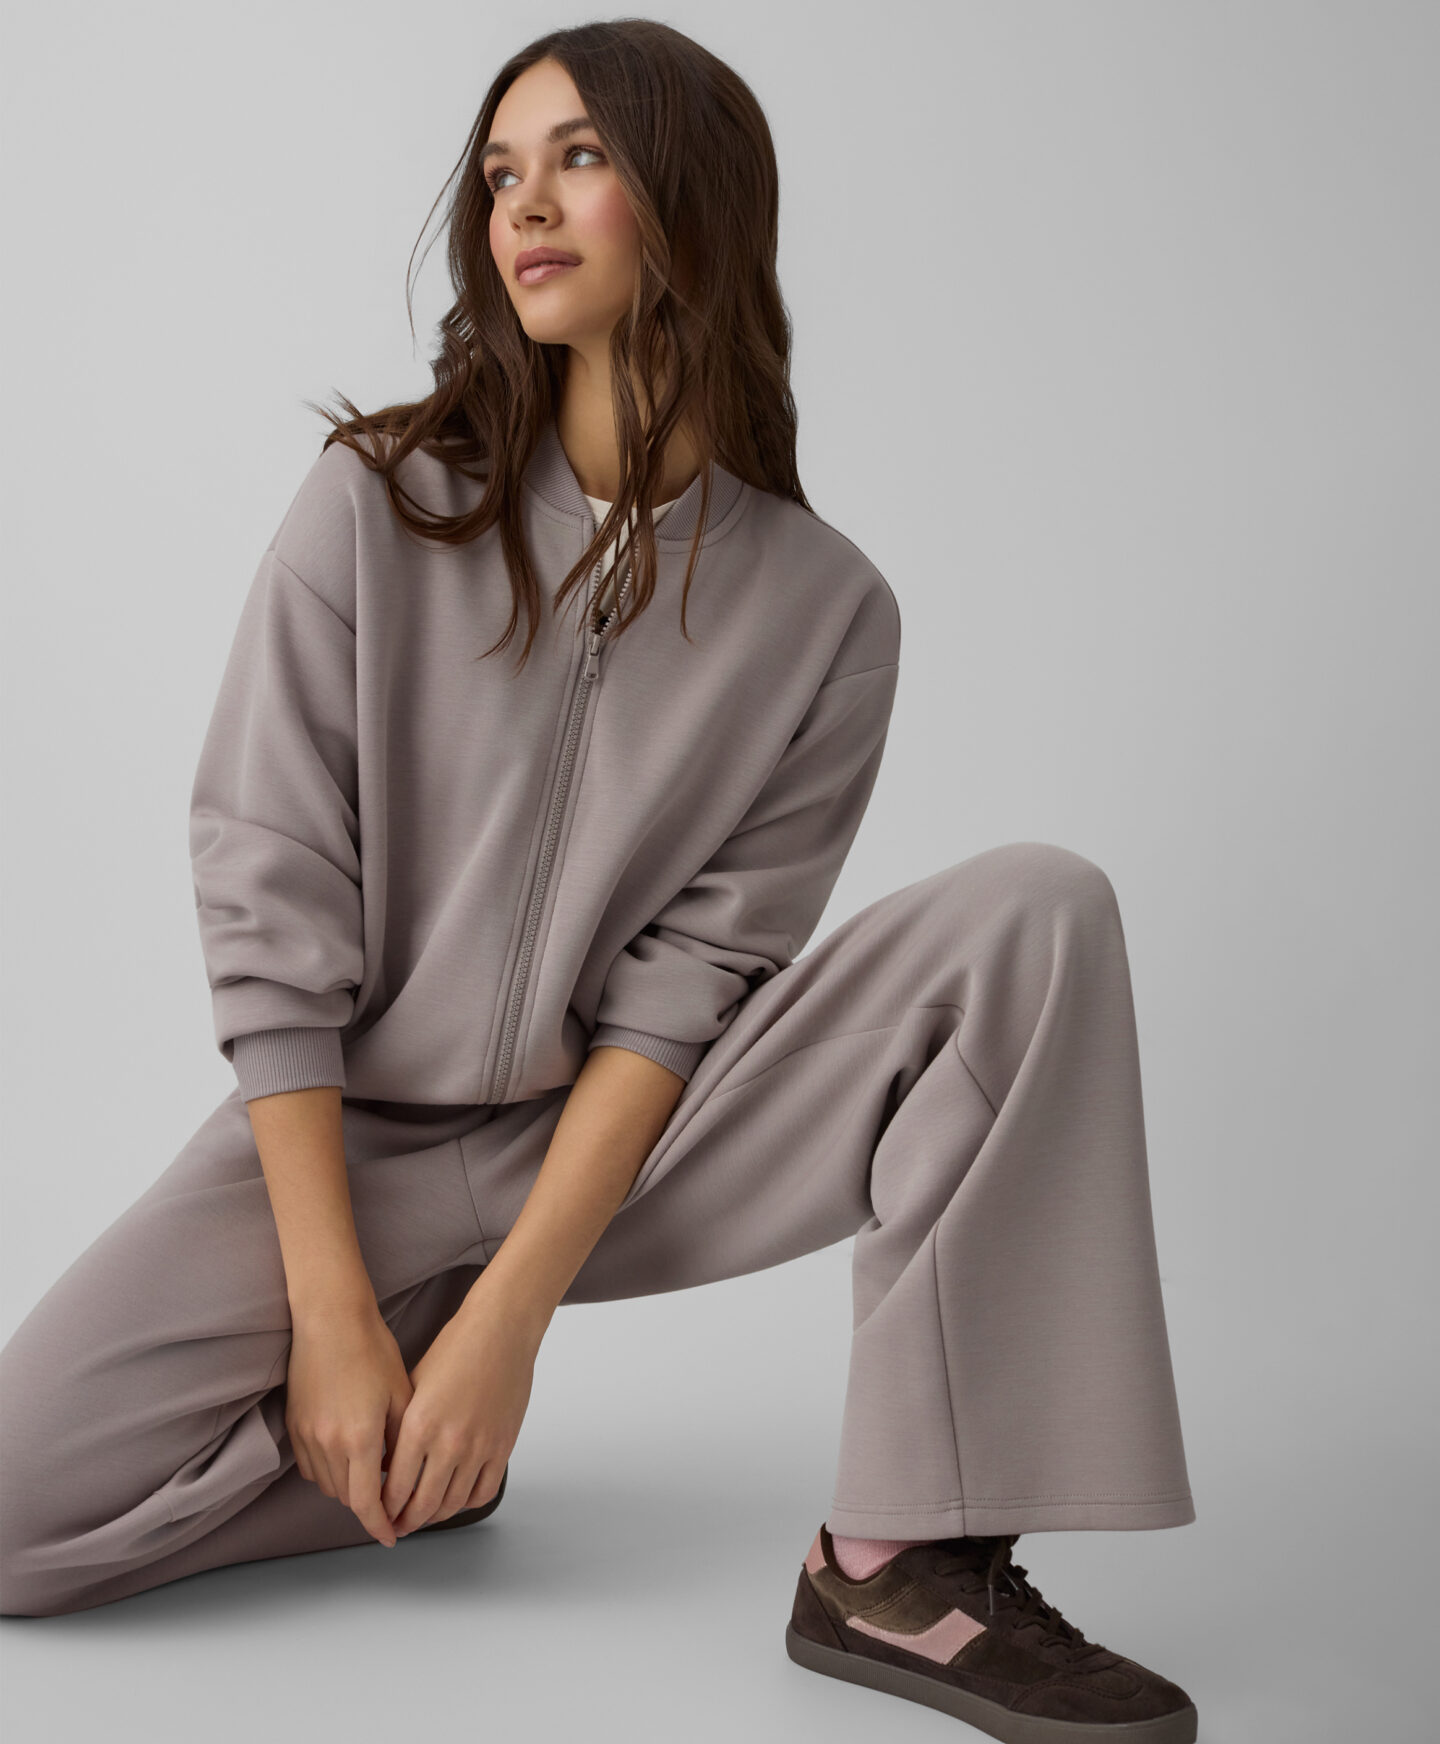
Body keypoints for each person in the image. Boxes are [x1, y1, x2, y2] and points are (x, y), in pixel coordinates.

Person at [0, 20, 1198, 1741]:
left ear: (693, 201)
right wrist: (338, 1318)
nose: (524, 206)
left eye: (578, 157)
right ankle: (416, 1456)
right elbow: (271, 894)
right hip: (348, 1141)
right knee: (15, 1520)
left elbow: (687, 991)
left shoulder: (826, 614)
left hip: (630, 1147)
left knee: (1037, 910)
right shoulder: (379, 506)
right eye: (502, 171)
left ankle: (894, 1560)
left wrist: (509, 1325)